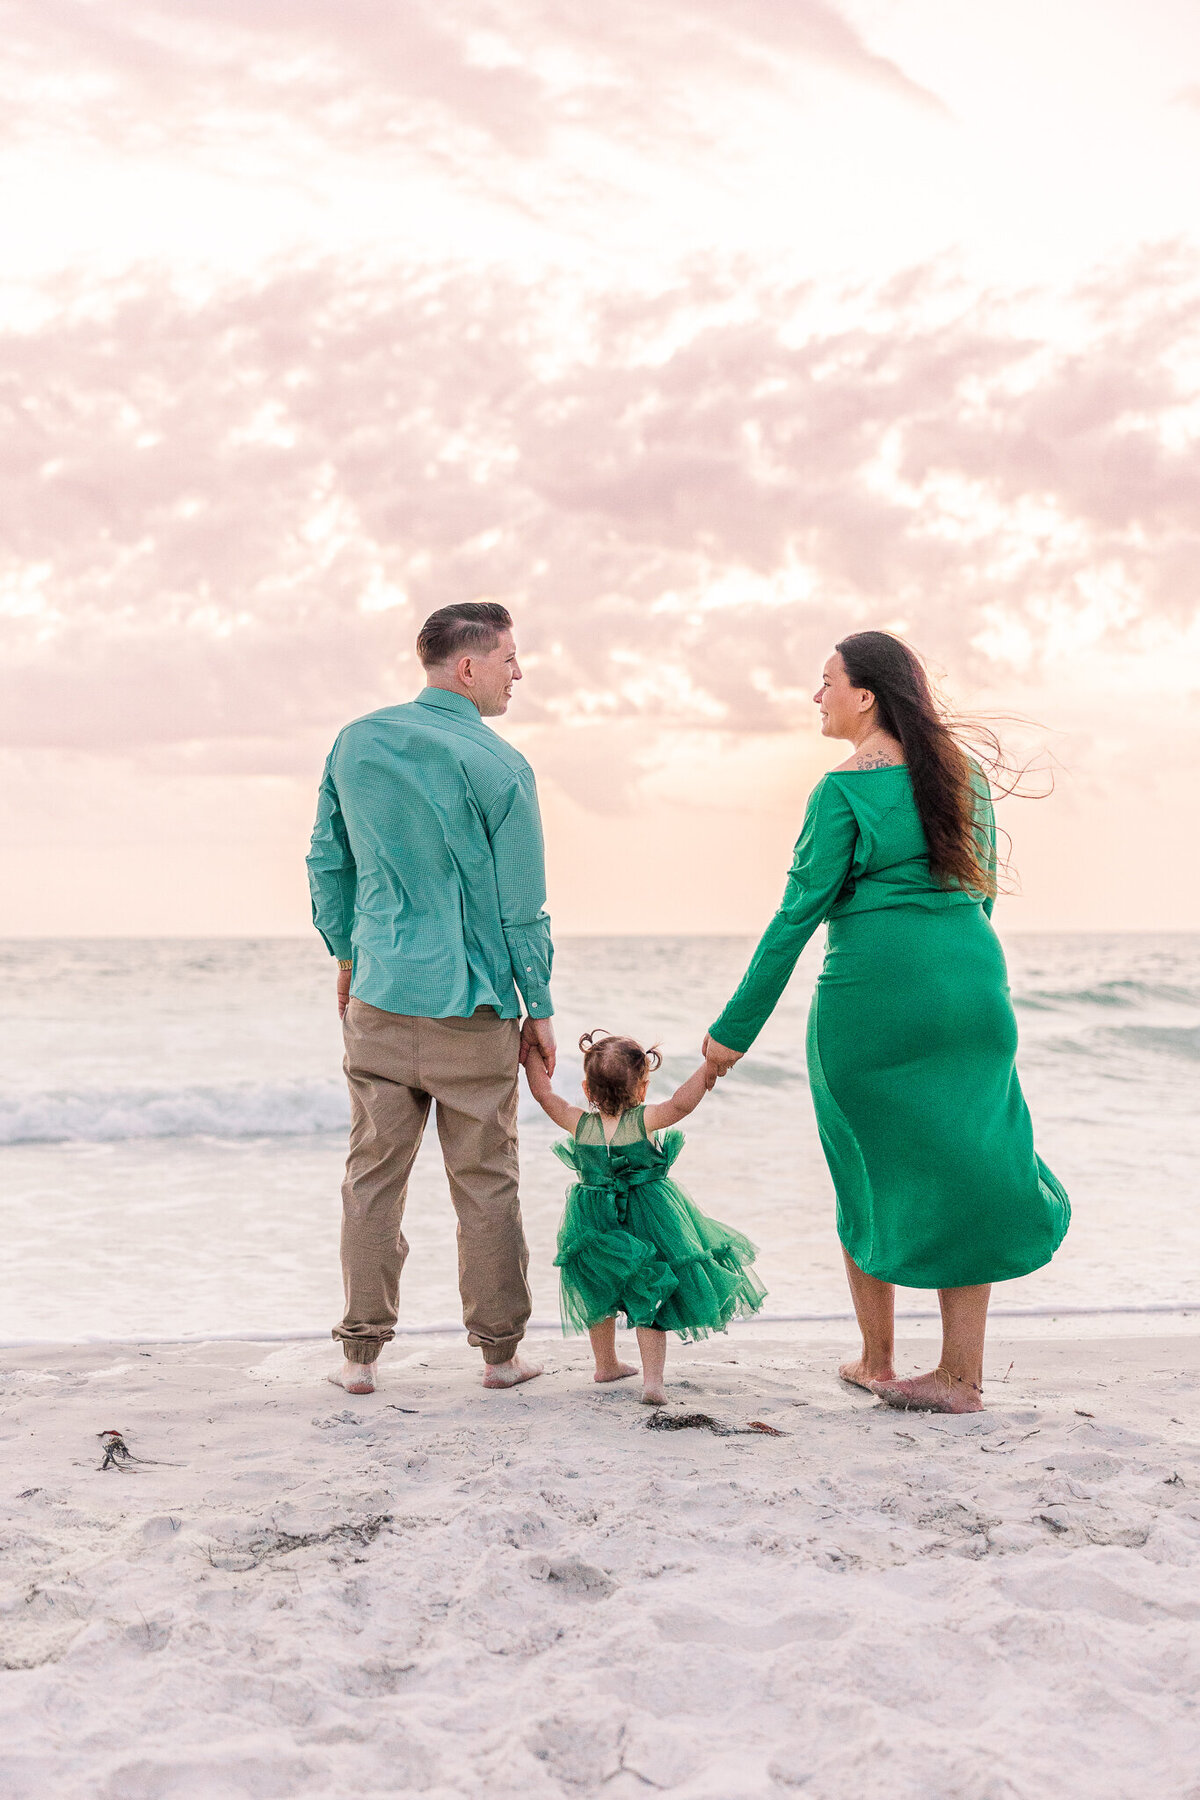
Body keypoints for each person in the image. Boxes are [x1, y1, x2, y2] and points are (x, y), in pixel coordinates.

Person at [703, 631, 1070, 1414]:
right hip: (973, 985)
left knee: (864, 1166)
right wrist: (956, 965)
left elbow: (794, 918)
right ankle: (962, 1376)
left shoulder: (841, 792)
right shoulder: (962, 776)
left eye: (825, 681)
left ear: (864, 695)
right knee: (968, 1165)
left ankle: (877, 1359)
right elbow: (984, 890)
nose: (817, 696)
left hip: (874, 1002)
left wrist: (727, 1037)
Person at [306, 601, 555, 1396]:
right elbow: (523, 907)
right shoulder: (502, 766)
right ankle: (499, 1356)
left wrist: (347, 953)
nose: (519, 673)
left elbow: (326, 863)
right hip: (473, 1007)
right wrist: (539, 1004)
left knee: (371, 1178)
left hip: (377, 996)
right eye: (511, 658)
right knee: (485, 1181)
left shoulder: (356, 742)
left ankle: (359, 1358)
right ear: (468, 666)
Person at [524, 1030, 766, 1405]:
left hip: (593, 1219)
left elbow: (543, 1094)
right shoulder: (642, 1121)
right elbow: (683, 1104)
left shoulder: (578, 1123)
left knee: (598, 1290)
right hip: (650, 1216)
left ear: (587, 1089)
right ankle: (653, 1382)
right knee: (651, 1292)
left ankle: (606, 1364)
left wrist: (532, 1058)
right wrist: (709, 1065)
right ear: (642, 1089)